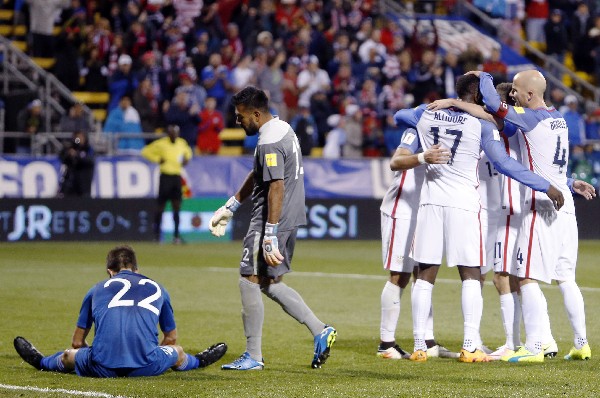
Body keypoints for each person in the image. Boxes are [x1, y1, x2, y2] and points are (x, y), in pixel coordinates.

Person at [394, 73, 564, 363]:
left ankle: (420, 346)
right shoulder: (482, 124)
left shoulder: (426, 112)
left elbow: (400, 116)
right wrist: (544, 185)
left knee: (425, 273)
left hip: (430, 202)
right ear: (478, 96)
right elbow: (503, 163)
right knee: (471, 274)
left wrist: (431, 117)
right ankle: (470, 345)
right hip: (464, 204)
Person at [208, 86, 336, 370]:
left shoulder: (268, 142)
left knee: (248, 279)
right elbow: (260, 174)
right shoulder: (281, 128)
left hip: (271, 218)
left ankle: (253, 355)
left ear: (256, 114)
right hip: (288, 217)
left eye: (241, 117)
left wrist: (269, 233)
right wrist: (230, 206)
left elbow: (276, 186)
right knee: (268, 282)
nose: (238, 122)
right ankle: (320, 330)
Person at [469, 70, 592, 362]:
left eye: (519, 94)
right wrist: (572, 182)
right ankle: (581, 343)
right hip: (566, 202)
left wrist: (482, 74)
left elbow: (492, 102)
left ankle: (536, 346)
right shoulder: (559, 118)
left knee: (525, 275)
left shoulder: (529, 118)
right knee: (567, 278)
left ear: (529, 96)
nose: (515, 100)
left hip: (542, 201)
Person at [14, 245, 227, 377]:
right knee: (178, 352)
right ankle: (200, 361)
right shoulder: (158, 288)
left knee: (69, 356)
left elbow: (77, 343)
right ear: (137, 269)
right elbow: (171, 338)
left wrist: (93, 354)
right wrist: (151, 355)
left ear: (110, 272)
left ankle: (39, 361)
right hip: (148, 366)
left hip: (101, 367)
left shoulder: (96, 289)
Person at [377, 127, 460, 360]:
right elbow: (396, 161)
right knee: (399, 275)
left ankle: (427, 341)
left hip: (425, 210)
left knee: (423, 276)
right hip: (402, 209)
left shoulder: (454, 132)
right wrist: (424, 157)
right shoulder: (416, 130)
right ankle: (386, 344)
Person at [141, 125, 192, 244]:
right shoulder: (161, 143)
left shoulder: (181, 143)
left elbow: (188, 152)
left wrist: (187, 159)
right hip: (165, 177)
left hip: (176, 177)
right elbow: (145, 151)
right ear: (168, 134)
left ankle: (176, 236)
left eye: (176, 133)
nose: (174, 135)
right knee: (160, 207)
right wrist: (157, 159)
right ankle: (156, 235)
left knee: (177, 207)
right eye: (172, 133)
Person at [58, 131, 95, 197]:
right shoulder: (71, 148)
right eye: (77, 138)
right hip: (70, 184)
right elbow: (62, 158)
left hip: (84, 184)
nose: (79, 139)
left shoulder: (88, 149)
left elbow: (90, 160)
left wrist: (77, 155)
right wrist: (69, 153)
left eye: (81, 137)